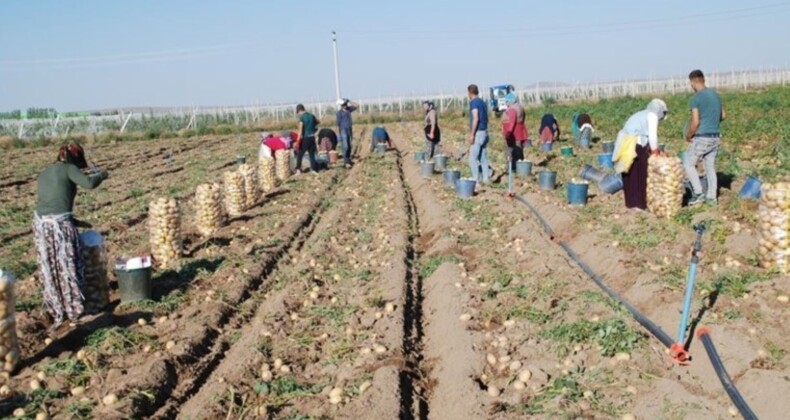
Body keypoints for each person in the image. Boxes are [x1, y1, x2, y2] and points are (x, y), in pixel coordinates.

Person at [33, 142, 108, 329]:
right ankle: (76, 312)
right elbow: (89, 184)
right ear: (73, 158)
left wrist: (75, 221)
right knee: (69, 265)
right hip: (59, 226)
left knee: (52, 267)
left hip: (42, 226)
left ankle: (57, 308)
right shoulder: (69, 169)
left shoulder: (45, 172)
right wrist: (103, 174)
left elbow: (52, 203)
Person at [614, 99, 668, 210]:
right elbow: (653, 137)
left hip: (626, 143)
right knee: (640, 172)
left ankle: (631, 202)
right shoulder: (652, 116)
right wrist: (655, 152)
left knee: (629, 172)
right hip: (635, 145)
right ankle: (639, 203)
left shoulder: (641, 114)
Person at [684, 69, 725, 206]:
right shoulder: (716, 95)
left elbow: (695, 122)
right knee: (709, 166)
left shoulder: (696, 98)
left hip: (702, 137)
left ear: (693, 82)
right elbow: (723, 115)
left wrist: (689, 135)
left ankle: (698, 193)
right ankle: (712, 198)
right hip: (716, 136)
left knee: (688, 163)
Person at [467, 84, 492, 184]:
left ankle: (476, 181)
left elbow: (475, 118)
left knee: (472, 159)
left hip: (478, 133)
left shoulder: (474, 103)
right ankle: (485, 179)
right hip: (485, 132)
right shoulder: (482, 102)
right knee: (482, 158)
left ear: (469, 93)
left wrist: (472, 134)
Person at [501, 93, 529, 169]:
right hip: (519, 131)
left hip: (514, 133)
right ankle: (520, 167)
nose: (506, 103)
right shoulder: (520, 107)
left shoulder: (512, 109)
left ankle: (513, 167)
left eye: (507, 101)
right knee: (519, 149)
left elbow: (512, 122)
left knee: (512, 150)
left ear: (510, 101)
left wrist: (508, 133)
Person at [295, 104, 319, 173]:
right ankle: (313, 169)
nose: (299, 114)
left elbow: (300, 130)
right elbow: (318, 122)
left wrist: (297, 141)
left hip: (305, 138)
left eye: (298, 112)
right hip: (312, 138)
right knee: (312, 154)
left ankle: (298, 169)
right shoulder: (311, 116)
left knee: (300, 154)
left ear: (300, 110)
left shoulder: (302, 118)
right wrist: (314, 129)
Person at [336, 98, 358, 168]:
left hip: (349, 129)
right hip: (343, 130)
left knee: (349, 145)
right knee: (345, 146)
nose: (344, 106)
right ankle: (346, 161)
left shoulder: (349, 109)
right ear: (341, 106)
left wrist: (349, 101)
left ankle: (348, 159)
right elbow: (338, 123)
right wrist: (338, 133)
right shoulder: (339, 113)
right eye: (343, 105)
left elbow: (357, 105)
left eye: (345, 104)